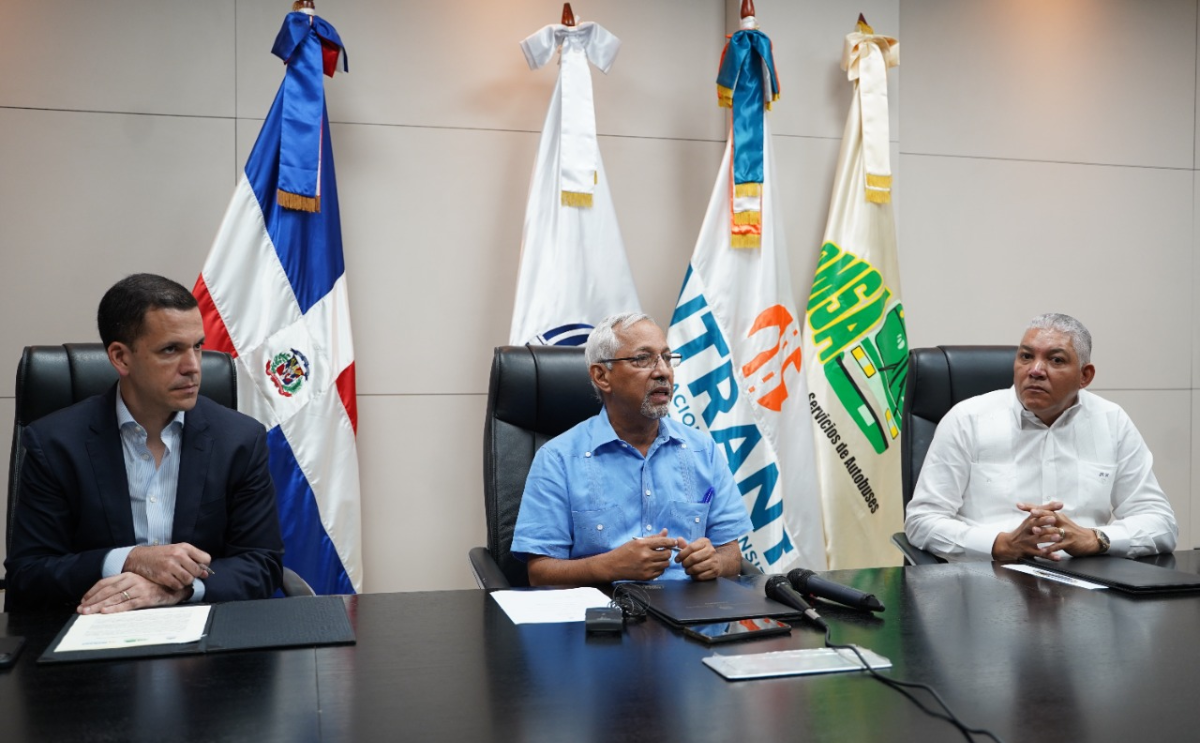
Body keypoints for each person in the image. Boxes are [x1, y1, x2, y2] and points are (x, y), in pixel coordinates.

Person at [5, 274, 284, 613]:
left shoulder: (239, 439)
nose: (193, 367)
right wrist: (130, 559)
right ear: (121, 357)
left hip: (204, 630)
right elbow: (29, 573)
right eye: (171, 350)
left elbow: (261, 564)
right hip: (94, 629)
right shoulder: (54, 443)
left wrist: (179, 590)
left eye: (197, 346)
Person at [905, 313, 1177, 562]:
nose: (1035, 370)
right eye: (1026, 356)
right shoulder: (967, 419)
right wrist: (999, 544)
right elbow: (922, 521)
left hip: (1087, 582)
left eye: (1055, 360)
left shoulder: (1111, 421)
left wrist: (1095, 539)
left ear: (1085, 376)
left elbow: (1160, 521)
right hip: (989, 578)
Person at [511, 312, 753, 585]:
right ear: (602, 376)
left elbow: (731, 554)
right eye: (643, 359)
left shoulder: (702, 450)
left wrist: (715, 563)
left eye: (667, 358)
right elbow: (540, 573)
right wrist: (609, 567)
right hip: (603, 607)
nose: (663, 371)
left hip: (690, 606)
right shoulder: (558, 458)